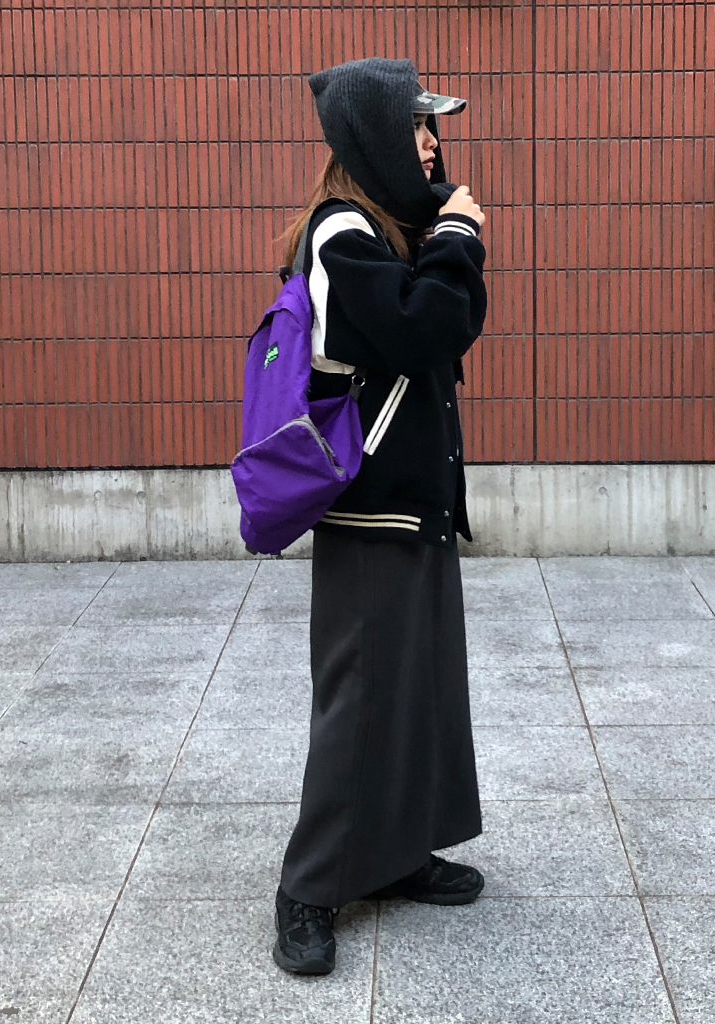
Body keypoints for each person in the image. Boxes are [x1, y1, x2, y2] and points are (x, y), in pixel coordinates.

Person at [273, 57, 489, 976]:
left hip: (414, 502)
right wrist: (458, 236)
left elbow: (442, 329)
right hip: (370, 512)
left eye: (434, 128)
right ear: (373, 138)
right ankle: (306, 888)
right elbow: (421, 328)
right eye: (416, 128)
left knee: (418, 687)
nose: (433, 143)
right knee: (359, 701)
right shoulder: (343, 232)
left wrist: (441, 232)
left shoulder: (390, 228)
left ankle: (396, 854)